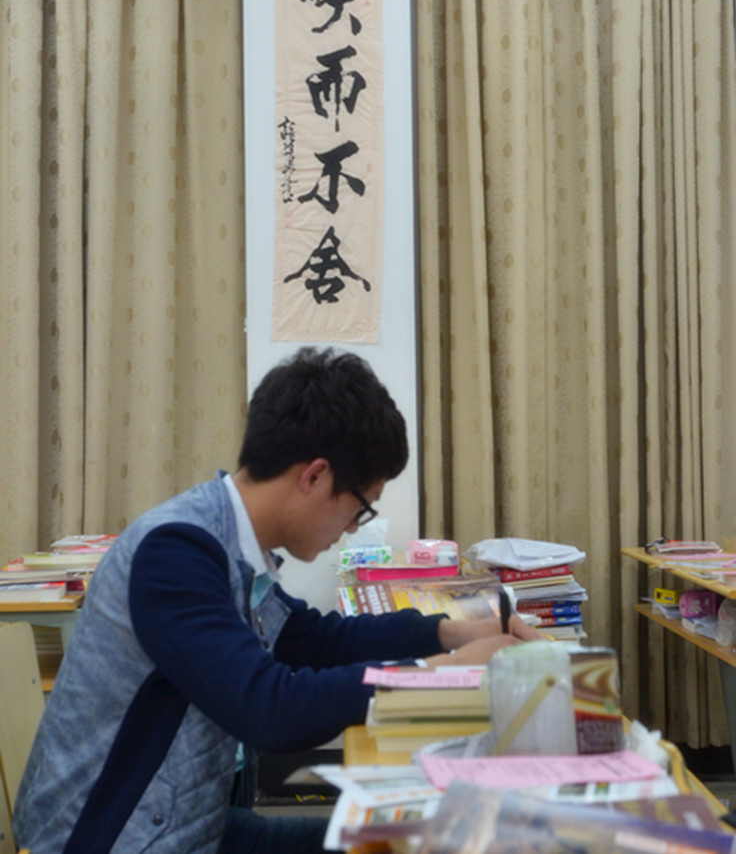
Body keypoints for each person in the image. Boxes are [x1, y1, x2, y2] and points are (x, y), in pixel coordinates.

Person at [14, 347, 535, 854]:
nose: (353, 528)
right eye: (361, 508)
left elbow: (309, 640)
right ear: (315, 476)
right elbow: (270, 710)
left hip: (185, 822)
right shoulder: (174, 554)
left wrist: (450, 633)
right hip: (113, 837)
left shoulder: (229, 540)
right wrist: (445, 673)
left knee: (414, 835)